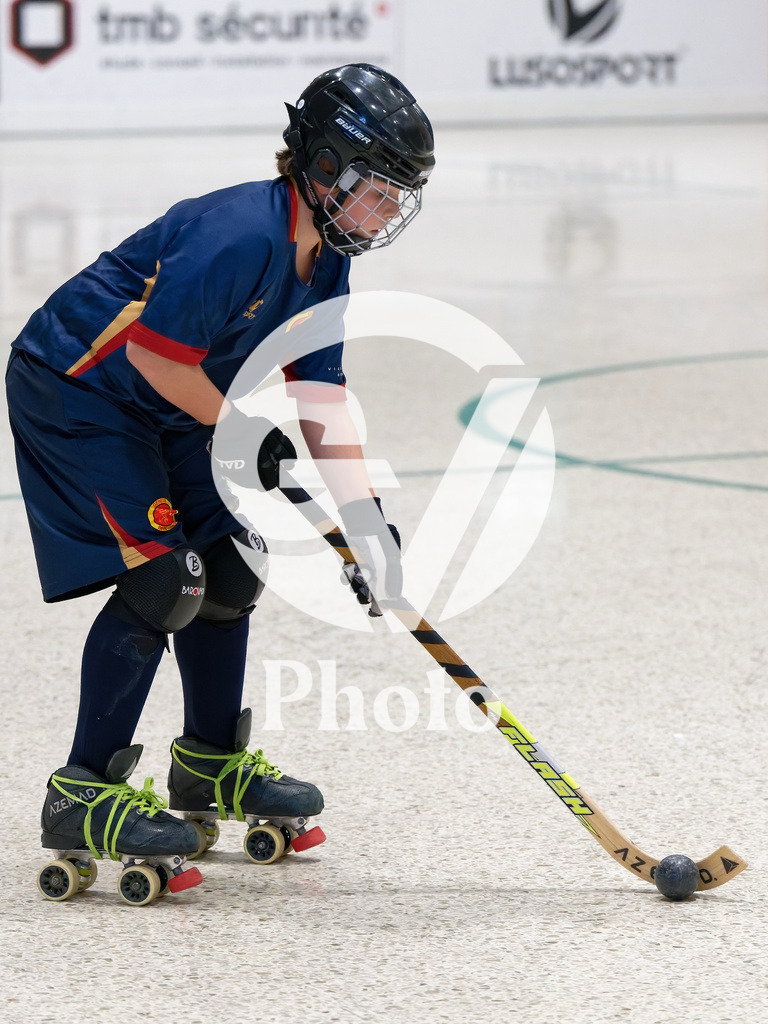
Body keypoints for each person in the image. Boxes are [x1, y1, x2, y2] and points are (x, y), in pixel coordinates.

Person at [6, 63, 435, 902]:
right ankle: (81, 790)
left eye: (397, 197)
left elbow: (320, 395)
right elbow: (155, 356)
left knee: (234, 566)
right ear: (321, 168)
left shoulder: (327, 263)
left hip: (169, 405)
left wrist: (364, 520)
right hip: (79, 390)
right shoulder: (239, 233)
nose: (386, 213)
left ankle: (207, 766)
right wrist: (242, 430)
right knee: (169, 578)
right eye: (376, 190)